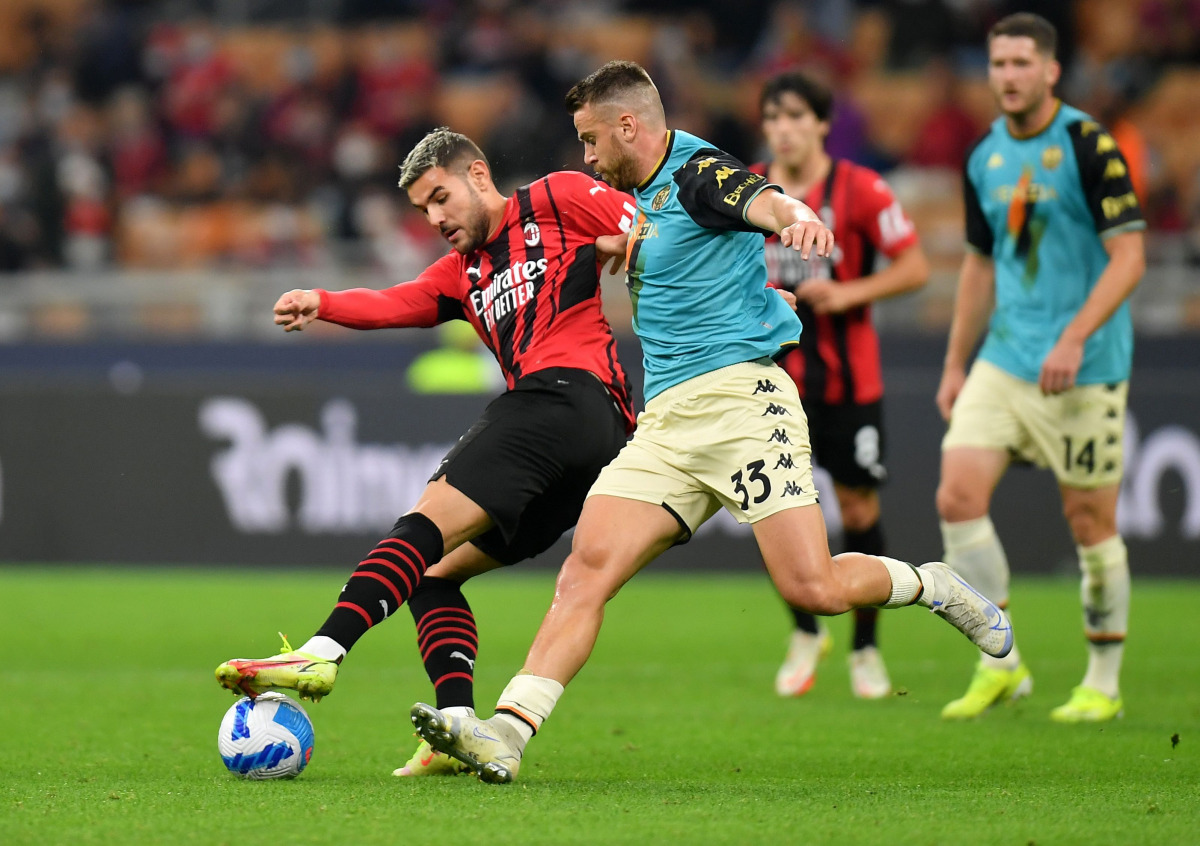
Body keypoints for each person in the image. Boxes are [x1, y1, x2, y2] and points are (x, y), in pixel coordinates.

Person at [409, 60, 1012, 785]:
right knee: (585, 572)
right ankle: (507, 732)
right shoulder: (632, 204)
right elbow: (643, 242)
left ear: (629, 126)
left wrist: (801, 219)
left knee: (811, 590)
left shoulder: (699, 171)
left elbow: (762, 200)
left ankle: (934, 584)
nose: (588, 157)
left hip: (741, 404)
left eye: (593, 140)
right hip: (665, 422)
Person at [213, 127, 639, 776]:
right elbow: (393, 304)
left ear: (476, 174)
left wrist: (645, 246)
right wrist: (322, 302)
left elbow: (657, 227)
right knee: (434, 574)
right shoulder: (461, 274)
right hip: (589, 446)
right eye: (422, 209)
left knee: (421, 526)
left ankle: (321, 650)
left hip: (565, 396)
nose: (435, 217)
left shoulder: (558, 196)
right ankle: (458, 728)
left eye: (440, 197)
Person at [934, 13, 1145, 722]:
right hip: (1006, 355)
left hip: (1085, 364)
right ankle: (1003, 663)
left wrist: (1075, 337)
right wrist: (956, 362)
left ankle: (1104, 684)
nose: (1010, 76)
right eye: (999, 64)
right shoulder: (984, 157)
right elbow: (979, 263)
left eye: (1024, 63)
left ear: (1051, 71)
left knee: (1090, 523)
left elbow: (1130, 257)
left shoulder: (1087, 144)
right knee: (956, 497)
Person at [752, 70, 930, 700]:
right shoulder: (747, 192)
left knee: (857, 511)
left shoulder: (861, 189)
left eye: (797, 116)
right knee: (768, 505)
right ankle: (804, 631)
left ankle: (865, 649)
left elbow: (915, 266)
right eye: (774, 118)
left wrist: (849, 291)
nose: (784, 129)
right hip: (771, 381)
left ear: (823, 123)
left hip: (849, 383)